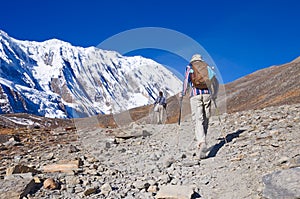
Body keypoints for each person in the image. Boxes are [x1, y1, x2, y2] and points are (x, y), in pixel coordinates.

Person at [181, 54, 212, 159]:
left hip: (195, 95)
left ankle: (201, 142)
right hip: (207, 94)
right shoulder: (206, 66)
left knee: (198, 119)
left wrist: (183, 92)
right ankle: (203, 139)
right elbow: (212, 78)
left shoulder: (189, 67)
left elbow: (186, 80)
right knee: (206, 118)